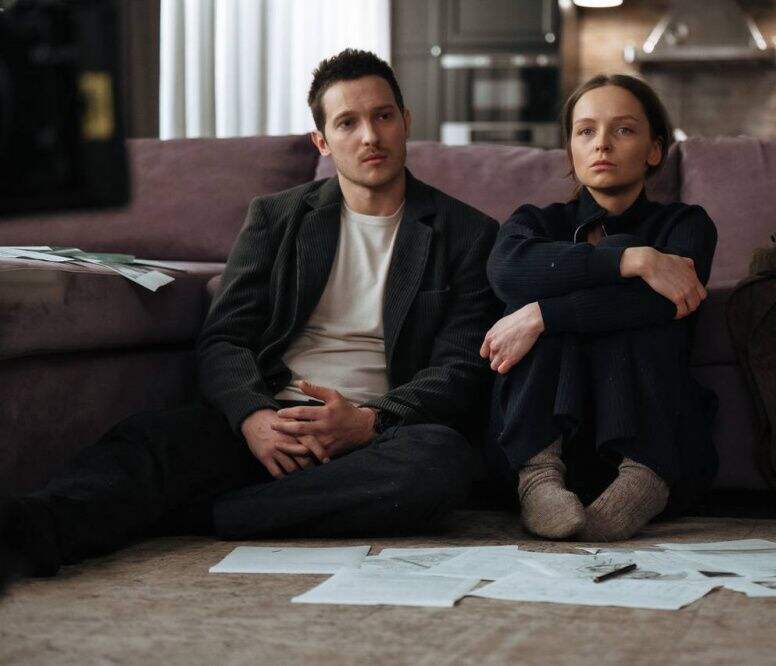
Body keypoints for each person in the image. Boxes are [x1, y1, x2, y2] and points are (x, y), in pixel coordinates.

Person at [0, 49, 500, 581]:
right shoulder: (276, 218)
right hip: (270, 422)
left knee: (440, 461)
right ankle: (29, 531)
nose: (370, 137)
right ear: (322, 141)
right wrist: (252, 418)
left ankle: (213, 514)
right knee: (148, 440)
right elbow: (225, 338)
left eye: (383, 116)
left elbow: (459, 367)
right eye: (347, 123)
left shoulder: (468, 233)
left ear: (406, 122)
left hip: (375, 437)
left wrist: (368, 422)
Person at [481, 74, 719, 542]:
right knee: (546, 284)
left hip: (654, 435)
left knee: (632, 306)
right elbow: (506, 271)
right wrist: (632, 259)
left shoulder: (685, 225)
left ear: (655, 150)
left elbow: (663, 301)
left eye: (623, 130)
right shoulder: (536, 223)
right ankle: (537, 477)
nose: (602, 144)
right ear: (570, 148)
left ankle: (644, 478)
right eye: (586, 131)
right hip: (553, 433)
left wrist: (542, 315)